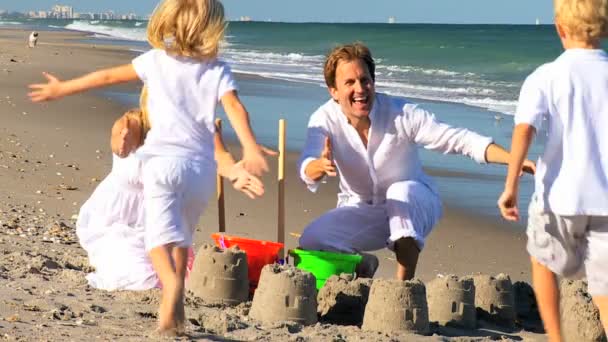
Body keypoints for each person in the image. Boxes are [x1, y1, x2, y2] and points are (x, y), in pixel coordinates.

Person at [28, 0, 268, 334]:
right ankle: (175, 292)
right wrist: (250, 151)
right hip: (124, 219)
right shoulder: (140, 117)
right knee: (153, 263)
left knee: (168, 253)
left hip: (161, 194)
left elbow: (109, 76)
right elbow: (236, 111)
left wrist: (237, 171)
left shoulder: (164, 74)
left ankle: (173, 291)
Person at [297, 42, 535, 281]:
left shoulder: (400, 113)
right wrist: (319, 165)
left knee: (399, 193)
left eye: (365, 80)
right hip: (363, 208)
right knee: (312, 239)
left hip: (415, 202)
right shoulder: (323, 118)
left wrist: (513, 158)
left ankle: (402, 289)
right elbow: (308, 164)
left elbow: (457, 139)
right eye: (349, 82)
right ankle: (363, 264)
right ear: (334, 91)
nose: (360, 89)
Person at [78, 89, 267, 292]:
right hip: (118, 222)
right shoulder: (133, 121)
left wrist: (234, 172)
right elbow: (120, 144)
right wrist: (123, 140)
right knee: (144, 279)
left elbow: (220, 157)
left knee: (186, 281)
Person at [497, 0, 608, 340]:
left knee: (542, 260)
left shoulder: (546, 76)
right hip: (606, 202)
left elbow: (524, 130)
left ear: (559, 27)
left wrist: (511, 184)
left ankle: (556, 338)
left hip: (559, 196)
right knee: (604, 287)